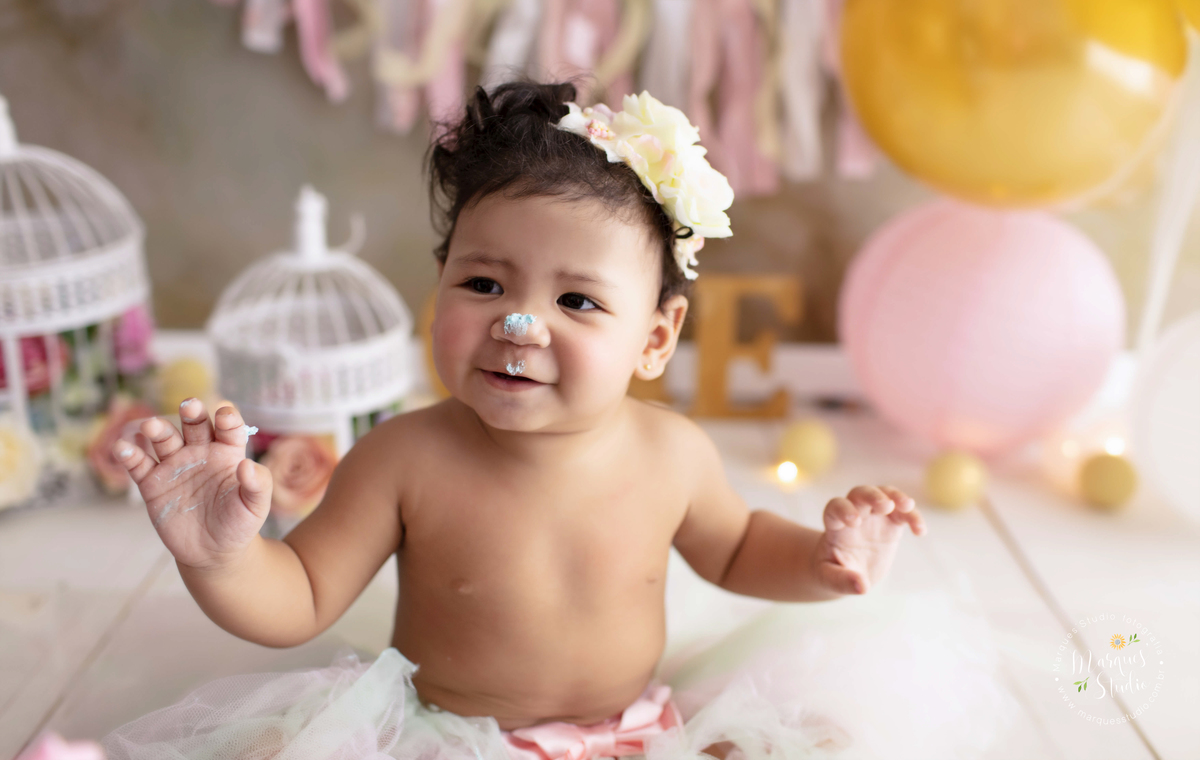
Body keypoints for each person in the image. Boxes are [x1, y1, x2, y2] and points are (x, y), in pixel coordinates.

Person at [104, 80, 1016, 760]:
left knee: (811, 738)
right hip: (450, 742)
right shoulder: (404, 458)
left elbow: (738, 550)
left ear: (655, 339)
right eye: (484, 282)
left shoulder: (671, 453)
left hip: (639, 730)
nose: (517, 323)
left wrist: (822, 562)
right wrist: (221, 556)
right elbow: (296, 600)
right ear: (442, 284)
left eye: (578, 300)